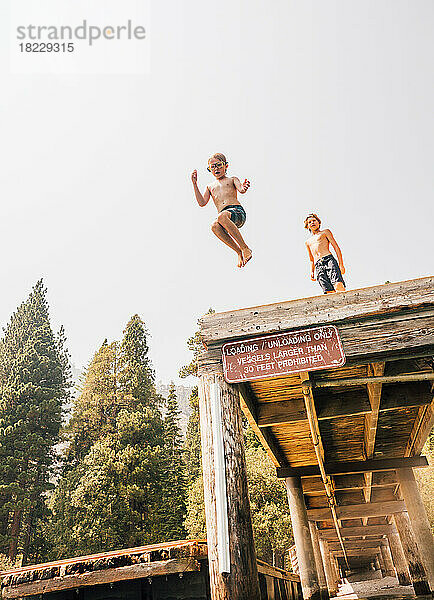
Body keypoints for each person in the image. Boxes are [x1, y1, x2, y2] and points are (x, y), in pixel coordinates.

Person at [191, 153, 252, 268]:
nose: (216, 169)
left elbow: (241, 189)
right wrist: (195, 184)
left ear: (226, 166)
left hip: (237, 212)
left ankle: (245, 247)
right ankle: (239, 252)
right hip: (226, 219)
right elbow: (202, 203)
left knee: (221, 217)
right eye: (212, 167)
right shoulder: (210, 186)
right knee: (214, 226)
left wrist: (244, 187)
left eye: (219, 165)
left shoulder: (232, 179)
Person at [304, 213, 346, 293]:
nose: (312, 223)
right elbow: (311, 259)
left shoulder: (325, 232)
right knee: (328, 290)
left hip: (328, 260)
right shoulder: (308, 242)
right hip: (318, 265)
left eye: (314, 221)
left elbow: (336, 247)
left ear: (319, 223)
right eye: (309, 222)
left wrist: (341, 264)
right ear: (307, 226)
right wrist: (312, 271)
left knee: (338, 284)